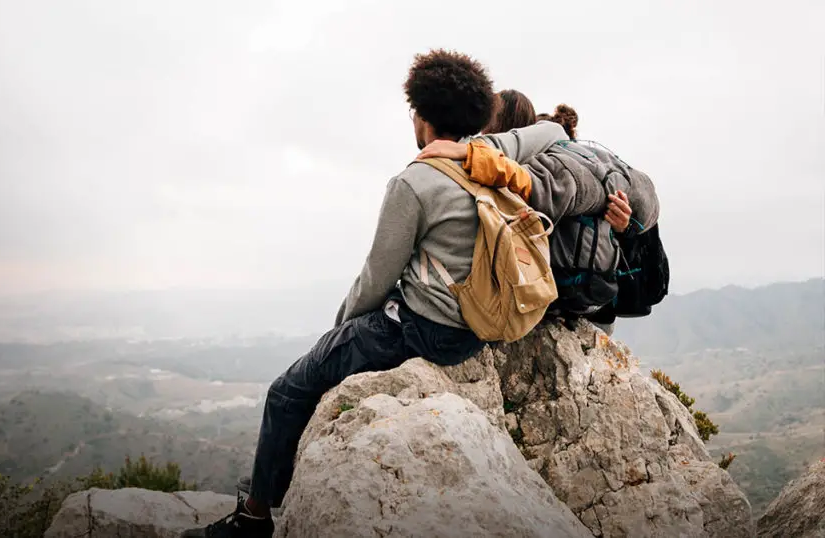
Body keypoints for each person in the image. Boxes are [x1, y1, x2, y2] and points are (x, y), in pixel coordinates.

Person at [180, 49, 566, 538]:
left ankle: (254, 519)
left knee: (286, 391)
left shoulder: (414, 181)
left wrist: (337, 332)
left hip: (421, 332)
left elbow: (375, 280)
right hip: (475, 331)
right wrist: (474, 151)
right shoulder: (491, 157)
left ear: (422, 117)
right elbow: (555, 131)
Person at [418, 99, 658, 336]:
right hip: (595, 301)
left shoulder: (551, 164)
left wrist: (472, 155)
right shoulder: (592, 164)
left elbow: (538, 185)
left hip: (561, 297)